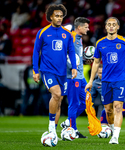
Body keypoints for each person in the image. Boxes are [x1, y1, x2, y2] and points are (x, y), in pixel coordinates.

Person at [85, 17, 125, 144]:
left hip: (120, 80)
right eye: (109, 24)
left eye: (114, 24)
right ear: (106, 27)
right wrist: (91, 81)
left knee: (118, 107)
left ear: (118, 27)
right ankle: (113, 130)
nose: (111, 26)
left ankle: (115, 137)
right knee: (108, 110)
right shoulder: (100, 43)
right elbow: (96, 62)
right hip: (106, 81)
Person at [32, 4, 77, 141]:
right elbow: (36, 52)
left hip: (62, 72)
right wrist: (35, 70)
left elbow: (71, 51)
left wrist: (74, 67)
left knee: (59, 101)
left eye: (61, 16)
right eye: (56, 16)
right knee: (56, 94)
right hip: (47, 71)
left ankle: (54, 132)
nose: (59, 18)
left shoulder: (67, 34)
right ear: (50, 16)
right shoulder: (43, 32)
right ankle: (51, 128)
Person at [60, 17, 90, 138]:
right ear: (79, 27)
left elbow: (75, 56)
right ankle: (73, 130)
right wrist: (72, 67)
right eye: (86, 27)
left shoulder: (78, 38)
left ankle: (68, 121)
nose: (88, 29)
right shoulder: (71, 38)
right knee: (73, 104)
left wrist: (83, 60)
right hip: (73, 77)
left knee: (86, 102)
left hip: (81, 77)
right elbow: (64, 56)